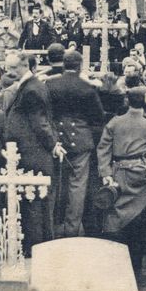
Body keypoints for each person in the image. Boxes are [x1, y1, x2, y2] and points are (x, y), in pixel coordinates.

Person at [3, 50, 64, 254]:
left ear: (24, 66)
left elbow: (40, 123)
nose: (8, 72)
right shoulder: (30, 86)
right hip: (30, 152)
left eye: (12, 68)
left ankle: (35, 248)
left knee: (34, 205)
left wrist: (52, 144)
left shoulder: (31, 90)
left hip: (33, 154)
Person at [97, 87, 146, 275]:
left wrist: (105, 173)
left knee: (117, 214)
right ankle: (135, 265)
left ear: (128, 102)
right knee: (138, 215)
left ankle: (116, 262)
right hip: (141, 175)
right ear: (145, 103)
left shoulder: (114, 123)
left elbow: (103, 149)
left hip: (118, 173)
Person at [46, 50, 105, 238]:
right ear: (80, 66)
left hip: (55, 139)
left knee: (54, 183)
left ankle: (53, 229)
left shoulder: (50, 84)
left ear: (63, 64)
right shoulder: (87, 87)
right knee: (77, 185)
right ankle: (72, 230)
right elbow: (98, 116)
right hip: (80, 139)